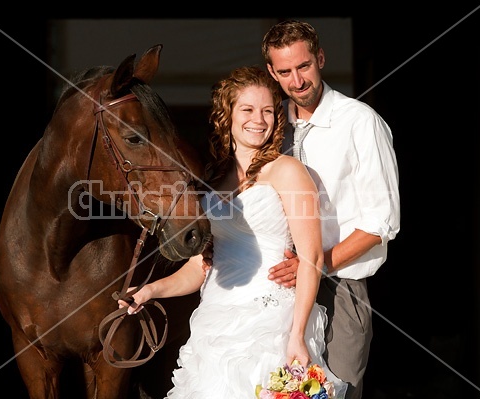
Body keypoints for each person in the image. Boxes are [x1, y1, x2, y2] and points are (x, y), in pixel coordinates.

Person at [120, 66, 347, 398]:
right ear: (226, 115)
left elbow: (311, 258)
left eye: (268, 110)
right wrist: (150, 290)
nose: (259, 119)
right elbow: (204, 265)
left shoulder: (288, 171)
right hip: (215, 323)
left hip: (272, 324)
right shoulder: (211, 179)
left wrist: (297, 335)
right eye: (248, 109)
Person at [261, 20, 401, 399]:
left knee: (336, 394)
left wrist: (315, 264)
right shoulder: (269, 129)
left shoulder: (361, 122)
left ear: (320, 59)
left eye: (304, 66)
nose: (297, 80)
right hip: (277, 290)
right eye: (285, 71)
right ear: (273, 73)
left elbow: (381, 222)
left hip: (342, 290)